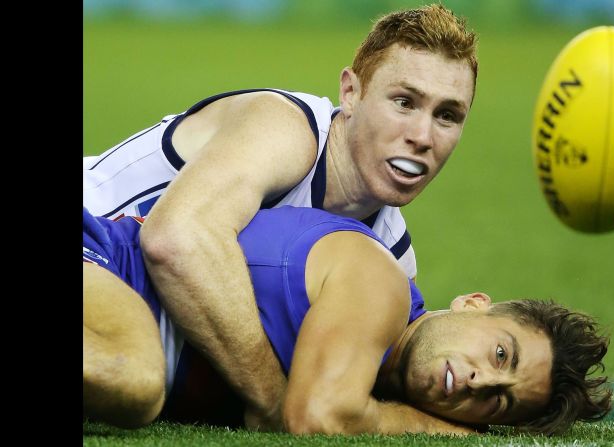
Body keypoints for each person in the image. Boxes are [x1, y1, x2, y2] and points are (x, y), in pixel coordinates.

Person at [83, 4, 478, 427]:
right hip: (95, 244)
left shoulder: (390, 257)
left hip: (117, 316)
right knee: (132, 378)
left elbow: (348, 391)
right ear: (351, 92)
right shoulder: (288, 129)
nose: (422, 136)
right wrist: (273, 400)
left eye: (447, 116)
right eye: (403, 102)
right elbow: (176, 240)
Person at [83, 206, 613, 435]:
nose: (482, 379)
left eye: (498, 401)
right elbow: (316, 417)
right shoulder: (380, 285)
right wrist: (448, 433)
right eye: (501, 354)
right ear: (473, 303)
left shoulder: (373, 376)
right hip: (106, 263)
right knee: (136, 380)